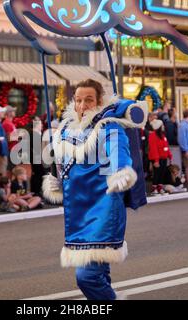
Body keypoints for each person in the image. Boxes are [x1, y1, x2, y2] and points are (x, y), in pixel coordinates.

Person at [42, 79, 147, 300]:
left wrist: (121, 172)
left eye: (88, 100)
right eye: (78, 100)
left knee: (87, 277)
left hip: (104, 209)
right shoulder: (65, 130)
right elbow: (63, 165)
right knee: (98, 276)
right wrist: (56, 179)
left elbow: (119, 150)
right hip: (78, 212)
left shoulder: (108, 126)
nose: (82, 105)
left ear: (99, 101)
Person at [148, 119, 172, 195]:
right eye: (162, 125)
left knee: (162, 173)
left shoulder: (163, 136)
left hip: (163, 157)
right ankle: (154, 189)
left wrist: (169, 155)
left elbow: (166, 146)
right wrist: (156, 160)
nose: (164, 126)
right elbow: (153, 148)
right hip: (157, 158)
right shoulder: (152, 136)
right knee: (157, 173)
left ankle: (159, 188)